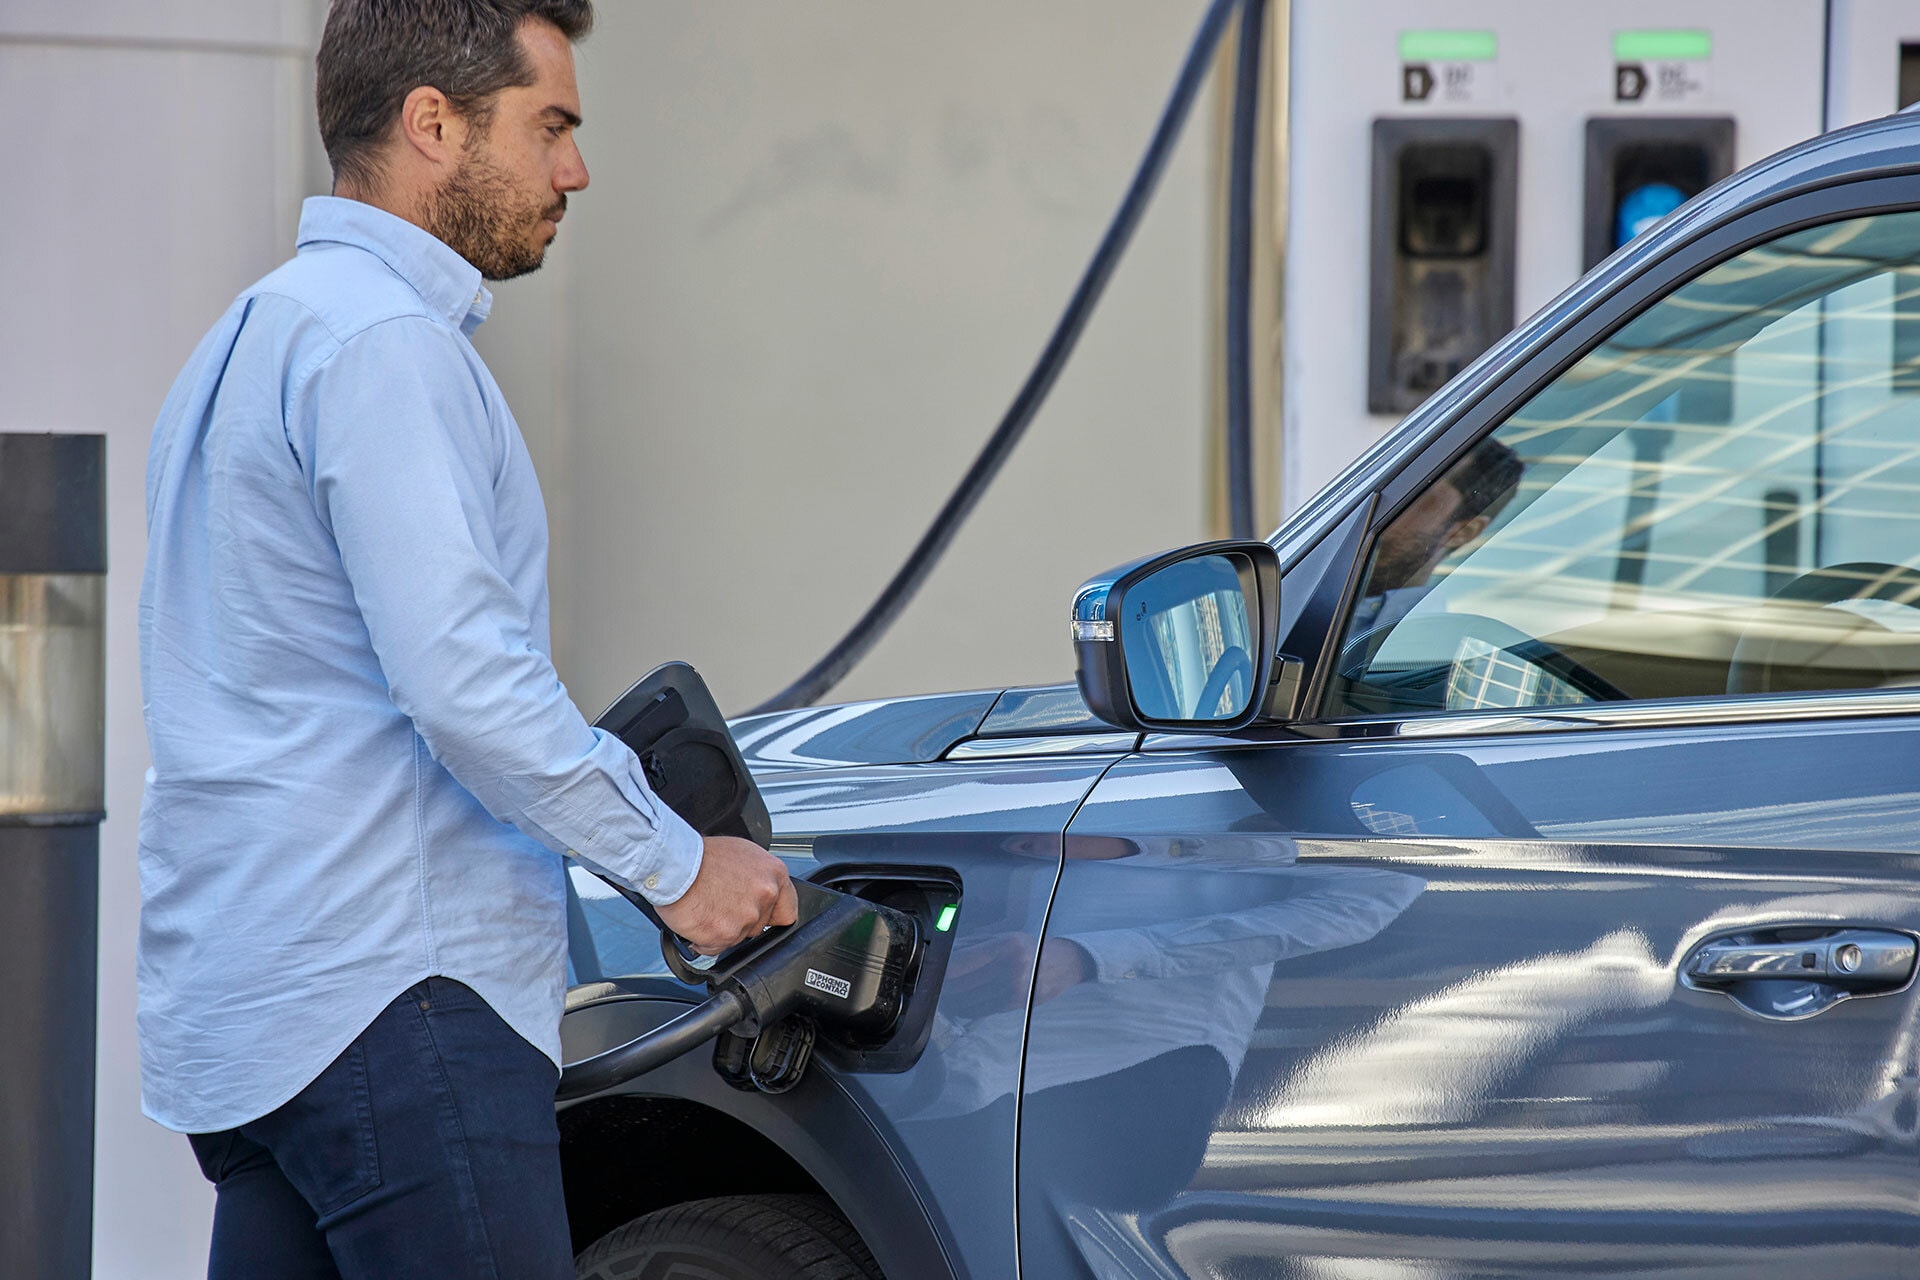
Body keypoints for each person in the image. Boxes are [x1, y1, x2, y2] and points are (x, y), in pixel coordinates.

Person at [138, 3, 795, 1276]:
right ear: (431, 122)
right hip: (398, 1002)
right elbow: (465, 684)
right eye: (550, 125)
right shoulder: (387, 345)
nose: (576, 170)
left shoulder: (245, 339)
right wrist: (675, 866)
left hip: (257, 1015)